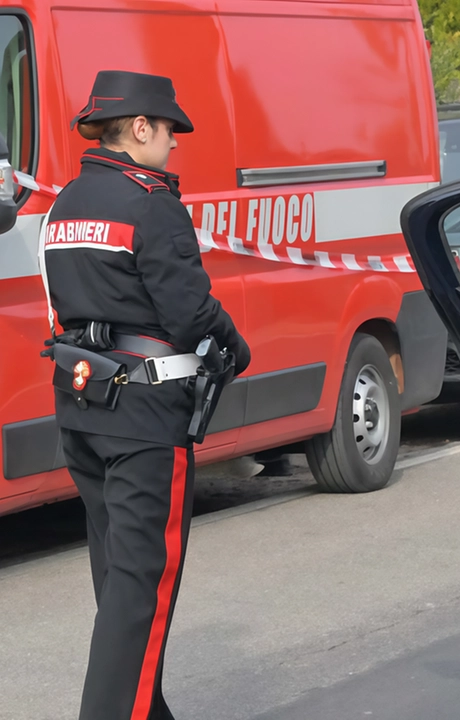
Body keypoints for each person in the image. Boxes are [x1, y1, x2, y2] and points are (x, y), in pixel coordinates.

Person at [39, 70, 251, 720]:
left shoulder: (66, 202)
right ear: (138, 128)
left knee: (119, 587)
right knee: (140, 594)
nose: (175, 144)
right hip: (145, 421)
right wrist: (233, 342)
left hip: (81, 411)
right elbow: (188, 313)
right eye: (168, 129)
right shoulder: (151, 202)